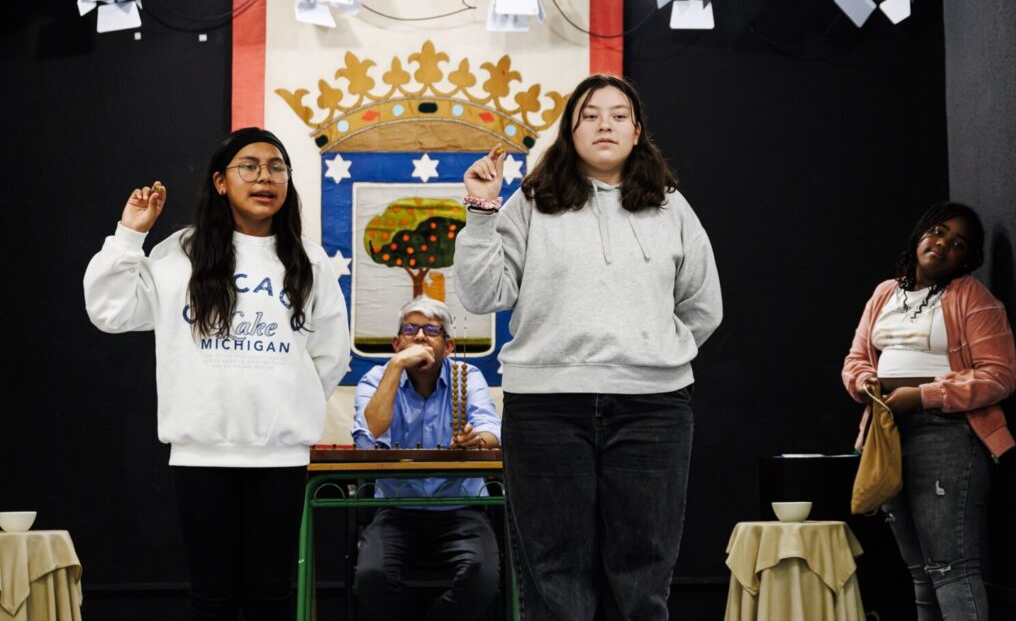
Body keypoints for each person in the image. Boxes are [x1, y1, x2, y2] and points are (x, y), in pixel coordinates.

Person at [454, 74, 723, 620]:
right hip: (546, 408)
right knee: (555, 577)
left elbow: (702, 307)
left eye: (618, 114)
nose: (604, 124)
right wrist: (482, 210)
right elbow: (483, 294)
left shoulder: (672, 208)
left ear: (637, 130)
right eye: (590, 115)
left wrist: (648, 353)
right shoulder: (532, 202)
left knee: (643, 576)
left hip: (653, 409)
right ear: (569, 130)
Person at [83, 127, 350, 621]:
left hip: (280, 457)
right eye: (249, 166)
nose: (264, 177)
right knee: (213, 597)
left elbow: (331, 353)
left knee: (271, 596)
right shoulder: (179, 254)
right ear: (221, 182)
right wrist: (130, 234)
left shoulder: (308, 260)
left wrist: (291, 402)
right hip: (201, 453)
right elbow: (109, 310)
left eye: (276, 168)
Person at [842, 201, 1016, 621]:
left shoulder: (973, 299)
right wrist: (865, 383)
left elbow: (999, 375)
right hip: (887, 431)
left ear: (968, 259)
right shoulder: (886, 292)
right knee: (920, 572)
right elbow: (856, 359)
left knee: (949, 568)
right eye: (937, 231)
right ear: (921, 233)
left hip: (948, 433)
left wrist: (922, 397)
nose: (942, 244)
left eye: (957, 244)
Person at [351, 296, 502, 621]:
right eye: (410, 329)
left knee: (482, 578)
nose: (420, 337)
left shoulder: (467, 374)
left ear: (448, 346)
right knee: (371, 577)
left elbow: (491, 430)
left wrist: (475, 440)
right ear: (396, 342)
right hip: (397, 508)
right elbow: (371, 434)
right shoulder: (375, 379)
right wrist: (395, 367)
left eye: (431, 330)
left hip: (460, 507)